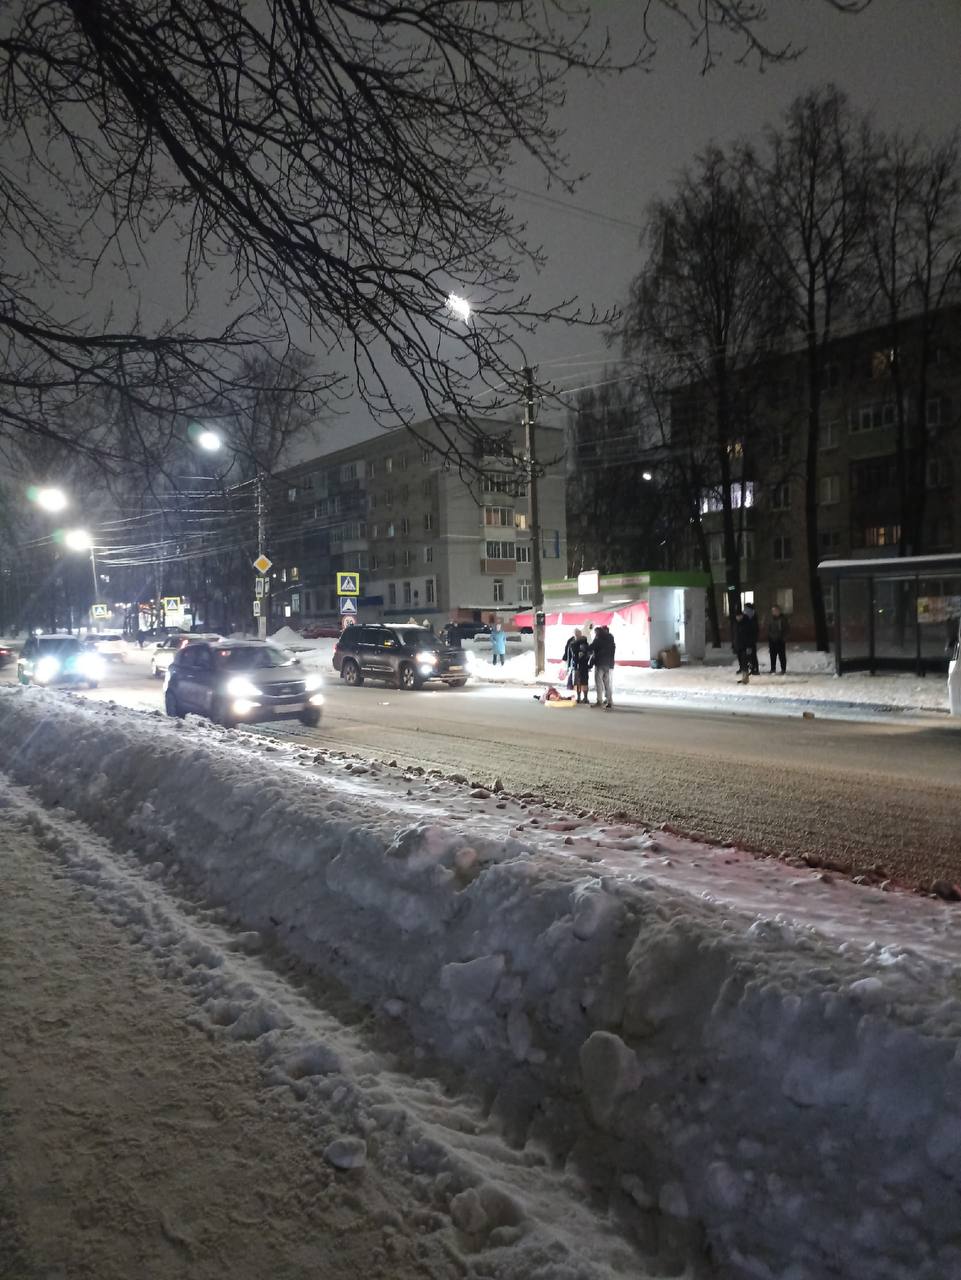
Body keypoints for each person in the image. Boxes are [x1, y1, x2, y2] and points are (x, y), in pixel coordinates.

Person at [589, 623, 616, 709]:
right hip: (608, 664)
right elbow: (612, 653)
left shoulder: (598, 640)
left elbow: (590, 648)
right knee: (607, 684)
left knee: (599, 683)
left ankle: (599, 701)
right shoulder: (610, 640)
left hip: (600, 664)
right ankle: (610, 701)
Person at [733, 608, 756, 684]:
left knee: (745, 662)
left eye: (739, 616)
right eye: (737, 616)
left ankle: (745, 678)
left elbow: (751, 636)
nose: (738, 618)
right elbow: (735, 636)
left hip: (746, 646)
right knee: (741, 662)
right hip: (739, 646)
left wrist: (749, 646)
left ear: (742, 616)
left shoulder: (747, 623)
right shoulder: (736, 624)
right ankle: (744, 677)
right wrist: (735, 645)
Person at [767, 604, 789, 674]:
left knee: (781, 655)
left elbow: (787, 629)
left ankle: (783, 669)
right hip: (772, 640)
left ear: (779, 611)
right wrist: (770, 636)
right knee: (772, 656)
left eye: (776, 610)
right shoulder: (770, 619)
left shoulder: (783, 619)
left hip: (780, 640)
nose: (774, 612)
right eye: (773, 611)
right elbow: (768, 629)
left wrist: (783, 638)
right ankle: (773, 669)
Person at [744, 603, 760, 674]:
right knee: (748, 655)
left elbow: (754, 630)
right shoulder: (746, 618)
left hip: (751, 640)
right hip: (747, 640)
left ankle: (755, 669)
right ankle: (751, 668)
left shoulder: (752, 618)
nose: (745, 610)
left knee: (752, 655)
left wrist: (752, 640)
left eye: (746, 609)